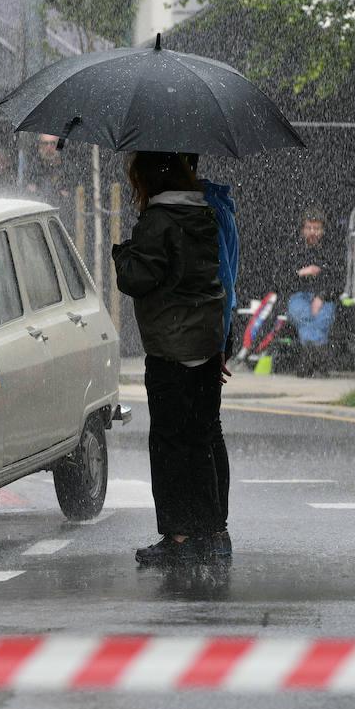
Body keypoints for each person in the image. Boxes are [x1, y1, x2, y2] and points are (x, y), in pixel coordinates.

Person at [112, 151, 226, 566]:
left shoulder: (158, 221)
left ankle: (178, 536)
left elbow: (137, 279)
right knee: (202, 439)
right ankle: (211, 531)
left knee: (168, 445)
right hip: (206, 344)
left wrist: (123, 252)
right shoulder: (204, 215)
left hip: (170, 349)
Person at [200, 174, 238, 559]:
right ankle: (213, 526)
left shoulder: (208, 211)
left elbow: (223, 283)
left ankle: (214, 527)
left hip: (210, 331)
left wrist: (220, 343)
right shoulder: (218, 206)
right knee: (208, 428)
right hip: (215, 329)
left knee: (207, 429)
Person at [281, 211, 343, 374]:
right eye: (309, 228)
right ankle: (319, 359)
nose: (313, 232)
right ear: (303, 230)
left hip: (325, 298)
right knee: (305, 316)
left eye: (317, 228)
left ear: (323, 231)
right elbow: (281, 281)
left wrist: (321, 296)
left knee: (322, 318)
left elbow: (339, 282)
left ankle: (308, 359)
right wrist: (300, 273)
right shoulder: (292, 251)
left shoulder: (333, 252)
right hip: (298, 296)